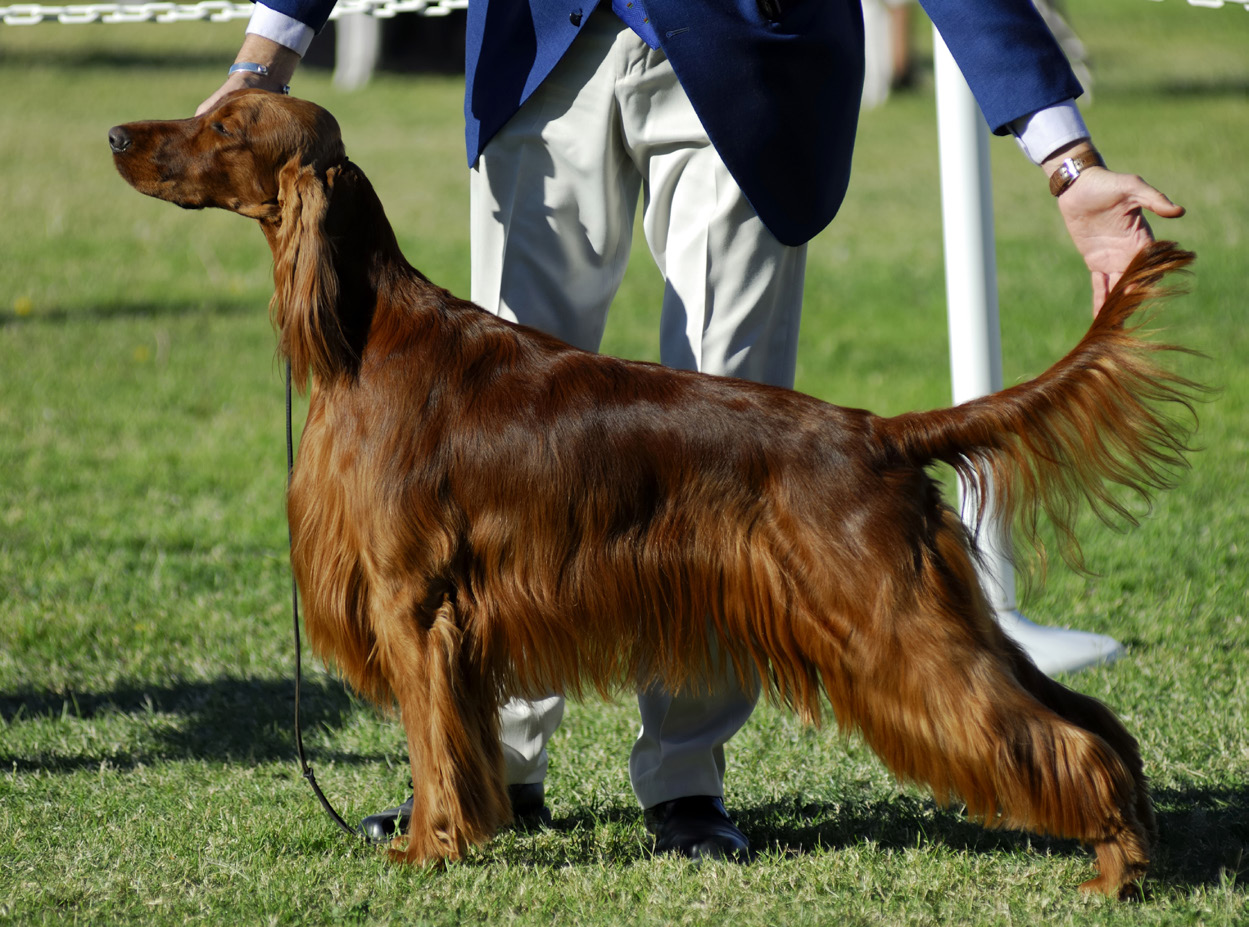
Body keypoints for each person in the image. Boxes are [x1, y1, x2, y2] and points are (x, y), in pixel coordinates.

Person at [198, 0, 1184, 862]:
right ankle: (480, 775)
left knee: (738, 443)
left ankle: (685, 781)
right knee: (494, 458)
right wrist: (263, 58)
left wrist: (1066, 159)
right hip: (543, 50)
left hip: (743, 51)